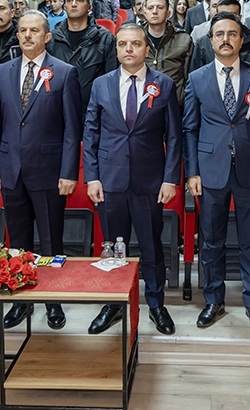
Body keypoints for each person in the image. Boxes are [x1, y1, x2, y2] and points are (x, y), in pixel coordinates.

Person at [183, 12, 250, 332]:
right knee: (211, 240)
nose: (226, 39)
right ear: (210, 41)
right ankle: (213, 300)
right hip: (210, 171)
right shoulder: (197, 78)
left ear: (241, 40)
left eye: (232, 34)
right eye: (219, 34)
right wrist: (192, 173)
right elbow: (190, 129)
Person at [0, 11, 81, 331]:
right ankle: (20, 301)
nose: (27, 35)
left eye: (34, 31)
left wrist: (68, 172)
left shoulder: (64, 73)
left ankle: (53, 301)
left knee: (51, 240)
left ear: (47, 36)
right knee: (18, 241)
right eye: (23, 30)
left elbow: (72, 130)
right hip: (11, 169)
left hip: (49, 171)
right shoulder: (2, 72)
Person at [83, 23, 182, 336]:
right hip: (109, 181)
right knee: (112, 247)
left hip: (149, 182)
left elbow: (174, 137)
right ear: (116, 49)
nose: (129, 49)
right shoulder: (101, 84)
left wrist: (170, 179)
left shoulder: (164, 84)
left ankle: (156, 304)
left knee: (151, 245)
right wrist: (92, 177)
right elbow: (91, 133)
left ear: (146, 49)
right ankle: (113, 303)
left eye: (136, 43)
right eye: (123, 43)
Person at [47, 0, 118, 109]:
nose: (73, 4)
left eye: (79, 0)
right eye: (69, 0)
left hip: (92, 110)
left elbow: (111, 80)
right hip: (57, 109)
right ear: (65, 6)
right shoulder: (51, 38)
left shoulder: (105, 38)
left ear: (89, 7)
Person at [189, 0, 250, 72]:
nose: (228, 20)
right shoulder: (203, 43)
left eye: (232, 16)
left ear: (240, 17)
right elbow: (196, 76)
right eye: (223, 16)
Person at [141, 0, 192, 104]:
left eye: (160, 7)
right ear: (145, 13)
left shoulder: (184, 39)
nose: (155, 11)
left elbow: (189, 76)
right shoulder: (136, 39)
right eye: (150, 8)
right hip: (141, 102)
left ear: (168, 13)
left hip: (174, 103)